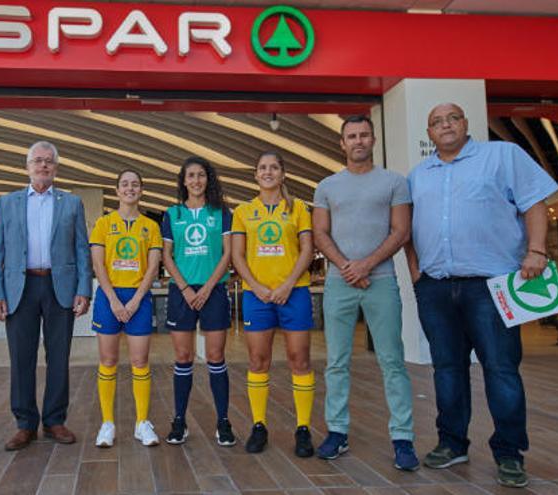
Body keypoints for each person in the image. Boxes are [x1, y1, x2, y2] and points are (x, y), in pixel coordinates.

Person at [406, 103, 558, 488]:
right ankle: (452, 441)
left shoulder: (502, 155)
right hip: (437, 286)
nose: (445, 126)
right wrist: (415, 273)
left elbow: (534, 204)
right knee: (447, 369)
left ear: (465, 123)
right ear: (429, 132)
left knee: (501, 369)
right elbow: (406, 227)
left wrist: (536, 250)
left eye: (452, 118)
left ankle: (509, 452)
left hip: (491, 286)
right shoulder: (419, 174)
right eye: (436, 121)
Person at [312, 115, 418, 470]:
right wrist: (347, 266)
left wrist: (366, 264)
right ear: (341, 143)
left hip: (382, 280)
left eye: (364, 135)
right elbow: (321, 234)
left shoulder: (394, 182)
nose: (358, 141)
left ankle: (403, 438)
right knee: (336, 362)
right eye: (351, 136)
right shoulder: (327, 186)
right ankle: (337, 431)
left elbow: (401, 231)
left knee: (392, 360)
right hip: (339, 283)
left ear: (373, 140)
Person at [0, 141, 92, 451]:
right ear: (27, 166)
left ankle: (55, 420)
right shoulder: (7, 203)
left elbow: (81, 250)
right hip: (21, 288)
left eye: (49, 161)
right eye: (38, 161)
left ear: (56, 168)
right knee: (21, 358)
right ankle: (25, 424)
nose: (43, 166)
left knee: (58, 357)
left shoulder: (72, 203)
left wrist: (84, 289)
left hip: (60, 287)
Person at [231, 150, 316, 456]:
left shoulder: (299, 208)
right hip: (258, 296)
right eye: (262, 167)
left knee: (299, 359)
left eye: (274, 168)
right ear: (255, 175)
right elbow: (237, 256)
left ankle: (303, 428)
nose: (268, 172)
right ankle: (258, 425)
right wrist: (256, 287)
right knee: (258, 360)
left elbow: (307, 250)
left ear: (283, 174)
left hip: (294, 292)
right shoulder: (243, 211)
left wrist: (287, 284)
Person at [161, 157, 235, 447]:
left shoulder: (221, 212)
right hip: (182, 291)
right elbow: (167, 255)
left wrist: (206, 287)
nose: (196, 180)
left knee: (216, 357)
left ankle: (223, 421)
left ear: (208, 179)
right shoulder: (172, 214)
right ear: (183, 181)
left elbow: (227, 254)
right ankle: (179, 421)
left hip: (213, 290)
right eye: (190, 176)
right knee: (183, 358)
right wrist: (185, 288)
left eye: (201, 175)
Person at [91, 170, 163, 448]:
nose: (130, 189)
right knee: (108, 361)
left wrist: (134, 301)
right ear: (117, 190)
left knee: (140, 361)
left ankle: (141, 423)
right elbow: (99, 265)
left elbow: (153, 267)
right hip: (109, 298)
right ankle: (107, 423)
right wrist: (113, 300)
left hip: (139, 298)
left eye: (135, 184)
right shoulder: (103, 223)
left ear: (141, 190)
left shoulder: (150, 226)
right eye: (125, 184)